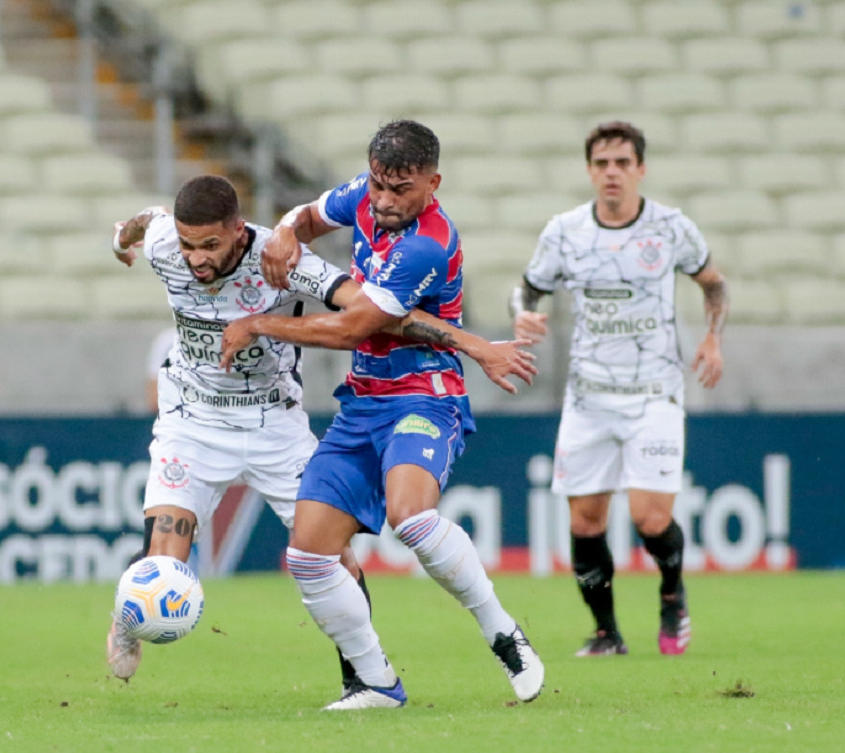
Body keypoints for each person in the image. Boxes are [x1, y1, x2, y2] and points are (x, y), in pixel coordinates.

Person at [106, 174, 525, 690]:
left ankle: (361, 681)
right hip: (193, 420)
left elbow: (375, 314)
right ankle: (129, 617)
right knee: (164, 559)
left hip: (275, 424)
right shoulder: (167, 244)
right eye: (189, 246)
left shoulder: (283, 262)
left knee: (334, 556)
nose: (196, 258)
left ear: (239, 231)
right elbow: (143, 224)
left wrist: (473, 344)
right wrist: (122, 240)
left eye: (210, 245)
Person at [219, 120, 545, 710]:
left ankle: (503, 634)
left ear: (432, 183)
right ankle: (376, 683)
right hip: (363, 401)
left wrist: (257, 322)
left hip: (426, 397)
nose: (387, 201)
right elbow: (312, 214)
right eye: (379, 186)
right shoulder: (365, 198)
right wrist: (289, 232)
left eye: (402, 190)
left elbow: (352, 326)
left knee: (411, 518)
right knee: (308, 556)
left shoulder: (428, 242)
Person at [508, 121, 728, 657]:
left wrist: (713, 339)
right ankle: (607, 633)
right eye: (602, 163)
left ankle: (672, 592)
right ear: (589, 170)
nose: (612, 173)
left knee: (650, 517)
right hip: (588, 396)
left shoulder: (671, 228)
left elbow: (713, 283)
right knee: (585, 521)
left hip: (654, 390)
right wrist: (522, 317)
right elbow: (528, 290)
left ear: (640, 169)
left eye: (622, 163)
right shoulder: (564, 231)